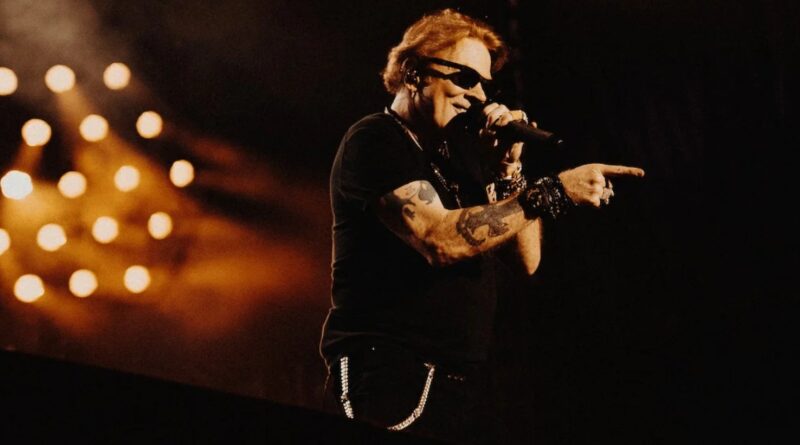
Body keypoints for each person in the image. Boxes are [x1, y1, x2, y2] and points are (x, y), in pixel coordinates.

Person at [319, 9, 644, 443]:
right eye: (466, 78)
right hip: (389, 374)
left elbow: (527, 260)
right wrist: (555, 191)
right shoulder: (375, 139)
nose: (479, 96)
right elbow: (438, 239)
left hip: (459, 388)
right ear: (414, 73)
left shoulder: (458, 159)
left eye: (485, 85)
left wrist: (508, 172)